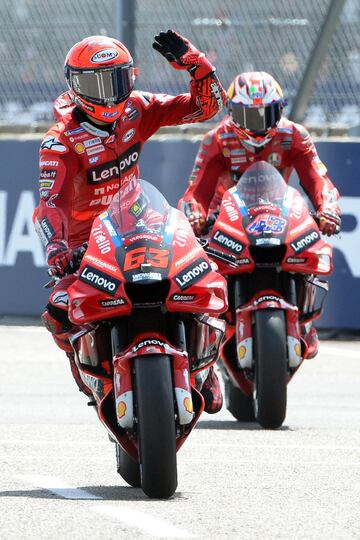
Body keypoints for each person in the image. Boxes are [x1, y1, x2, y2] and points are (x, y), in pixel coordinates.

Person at [33, 31, 226, 412]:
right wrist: (57, 248)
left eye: (116, 81)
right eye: (95, 83)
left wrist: (196, 64)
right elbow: (49, 204)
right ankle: (88, 371)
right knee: (58, 310)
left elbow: (207, 109)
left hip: (140, 224)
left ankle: (205, 367)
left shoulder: (139, 109)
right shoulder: (60, 143)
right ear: (73, 86)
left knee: (206, 277)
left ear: (132, 77)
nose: (107, 95)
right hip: (87, 247)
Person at [179, 71, 341, 359]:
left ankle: (305, 322)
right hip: (227, 222)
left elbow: (318, 180)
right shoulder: (218, 138)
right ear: (232, 112)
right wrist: (196, 216)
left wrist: (327, 208)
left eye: (267, 113)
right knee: (201, 274)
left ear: (280, 110)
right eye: (249, 114)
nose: (258, 123)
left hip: (279, 214)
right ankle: (211, 341)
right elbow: (196, 191)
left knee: (312, 249)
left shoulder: (293, 135)